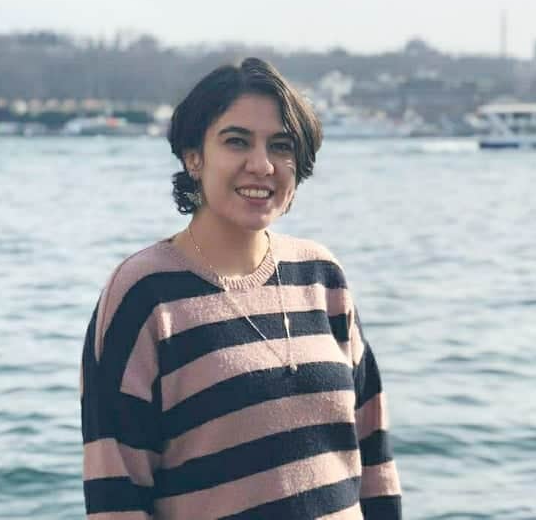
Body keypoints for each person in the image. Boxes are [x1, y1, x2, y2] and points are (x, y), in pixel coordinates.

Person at [80, 57, 402, 519]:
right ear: (194, 156)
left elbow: (374, 457)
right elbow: (116, 494)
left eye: (281, 146)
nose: (262, 165)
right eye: (237, 141)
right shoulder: (144, 295)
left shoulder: (322, 276)